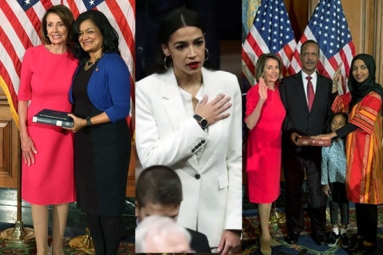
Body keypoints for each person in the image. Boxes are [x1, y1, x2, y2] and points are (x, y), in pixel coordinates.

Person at [135, 8, 242, 254]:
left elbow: (234, 160)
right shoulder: (146, 90)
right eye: (181, 46)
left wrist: (234, 224)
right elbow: (152, 160)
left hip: (218, 223)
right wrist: (199, 122)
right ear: (166, 49)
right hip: (171, 221)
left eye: (198, 43)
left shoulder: (227, 83)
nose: (193, 53)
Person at [65, 10, 131, 255]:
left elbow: (121, 108)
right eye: (80, 33)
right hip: (85, 142)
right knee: (92, 205)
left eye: (90, 31)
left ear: (103, 32)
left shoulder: (113, 62)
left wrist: (86, 123)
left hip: (109, 143)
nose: (84, 37)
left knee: (109, 206)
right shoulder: (84, 64)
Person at [17, 5, 77, 255]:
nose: (55, 30)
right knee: (39, 192)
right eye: (50, 25)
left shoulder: (77, 57)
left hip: (66, 135)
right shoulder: (32, 55)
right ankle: (42, 250)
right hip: (36, 135)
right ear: (45, 28)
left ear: (68, 27)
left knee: (62, 192)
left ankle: (58, 247)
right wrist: (23, 135)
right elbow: (22, 97)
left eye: (60, 24)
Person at [317, 54, 383, 255]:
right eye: (355, 68)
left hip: (369, 154)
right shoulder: (355, 94)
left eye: (363, 68)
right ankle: (362, 235)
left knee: (368, 198)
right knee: (358, 197)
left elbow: (356, 123)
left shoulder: (375, 94)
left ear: (370, 69)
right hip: (354, 153)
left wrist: (331, 133)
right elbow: (338, 107)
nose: (359, 72)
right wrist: (336, 85)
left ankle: (370, 241)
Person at [279, 40, 335, 246]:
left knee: (318, 192)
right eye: (307, 54)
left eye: (314, 54)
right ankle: (294, 228)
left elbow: (328, 115)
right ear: (300, 57)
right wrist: (291, 133)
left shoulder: (327, 84)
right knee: (293, 191)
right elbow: (282, 115)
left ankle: (319, 230)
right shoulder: (287, 83)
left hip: (317, 150)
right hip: (294, 147)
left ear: (318, 57)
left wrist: (327, 136)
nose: (310, 58)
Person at [245, 54, 285, 255]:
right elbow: (250, 124)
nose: (274, 71)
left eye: (276, 67)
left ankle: (265, 230)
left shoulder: (278, 91)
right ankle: (265, 236)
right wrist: (261, 100)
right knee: (264, 194)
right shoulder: (255, 92)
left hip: (275, 149)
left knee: (271, 192)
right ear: (262, 70)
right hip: (260, 150)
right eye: (269, 67)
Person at [135, 165, 211, 252]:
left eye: (171, 218)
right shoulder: (124, 244)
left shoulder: (198, 243)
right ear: (137, 208)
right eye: (154, 220)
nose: (163, 228)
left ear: (179, 206)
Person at [320, 112, 350, 248]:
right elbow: (323, 163)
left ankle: (344, 230)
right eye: (334, 122)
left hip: (345, 180)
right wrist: (325, 183)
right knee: (333, 204)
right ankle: (335, 231)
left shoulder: (348, 142)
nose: (336, 126)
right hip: (332, 180)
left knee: (344, 205)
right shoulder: (326, 142)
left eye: (340, 124)